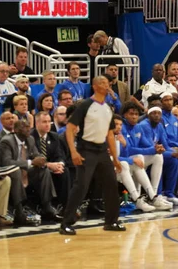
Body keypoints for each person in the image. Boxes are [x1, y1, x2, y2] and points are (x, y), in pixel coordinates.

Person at [59, 76, 124, 235]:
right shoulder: (85, 105)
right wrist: (73, 152)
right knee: (81, 186)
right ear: (94, 86)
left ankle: (111, 221)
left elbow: (110, 135)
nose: (106, 85)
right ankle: (66, 223)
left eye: (107, 83)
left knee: (111, 185)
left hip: (102, 150)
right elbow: (70, 128)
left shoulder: (108, 108)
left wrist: (115, 158)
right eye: (102, 83)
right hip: (86, 149)